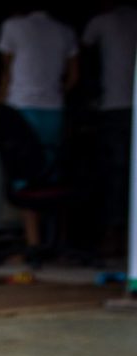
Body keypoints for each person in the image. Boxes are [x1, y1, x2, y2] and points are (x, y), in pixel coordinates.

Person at [0, 7, 79, 250]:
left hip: (21, 108)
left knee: (24, 174)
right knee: (49, 174)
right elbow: (74, 77)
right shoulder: (65, 31)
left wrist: (0, 110)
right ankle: (54, 241)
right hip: (53, 108)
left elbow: (6, 73)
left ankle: (33, 244)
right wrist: (53, 92)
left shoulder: (13, 26)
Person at [83, 2, 137, 254]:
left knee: (115, 174)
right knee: (120, 174)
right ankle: (116, 234)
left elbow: (83, 59)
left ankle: (114, 234)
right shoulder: (107, 22)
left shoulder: (102, 22)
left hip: (114, 107)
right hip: (118, 106)